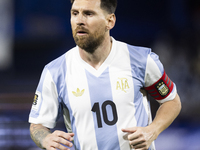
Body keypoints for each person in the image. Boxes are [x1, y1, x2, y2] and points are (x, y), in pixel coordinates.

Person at [28, 0, 181, 149]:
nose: (79, 20)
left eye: (88, 14)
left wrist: (152, 130)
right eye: (75, 13)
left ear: (110, 21)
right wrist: (45, 139)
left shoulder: (141, 60)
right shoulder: (55, 72)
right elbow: (38, 124)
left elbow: (171, 101)